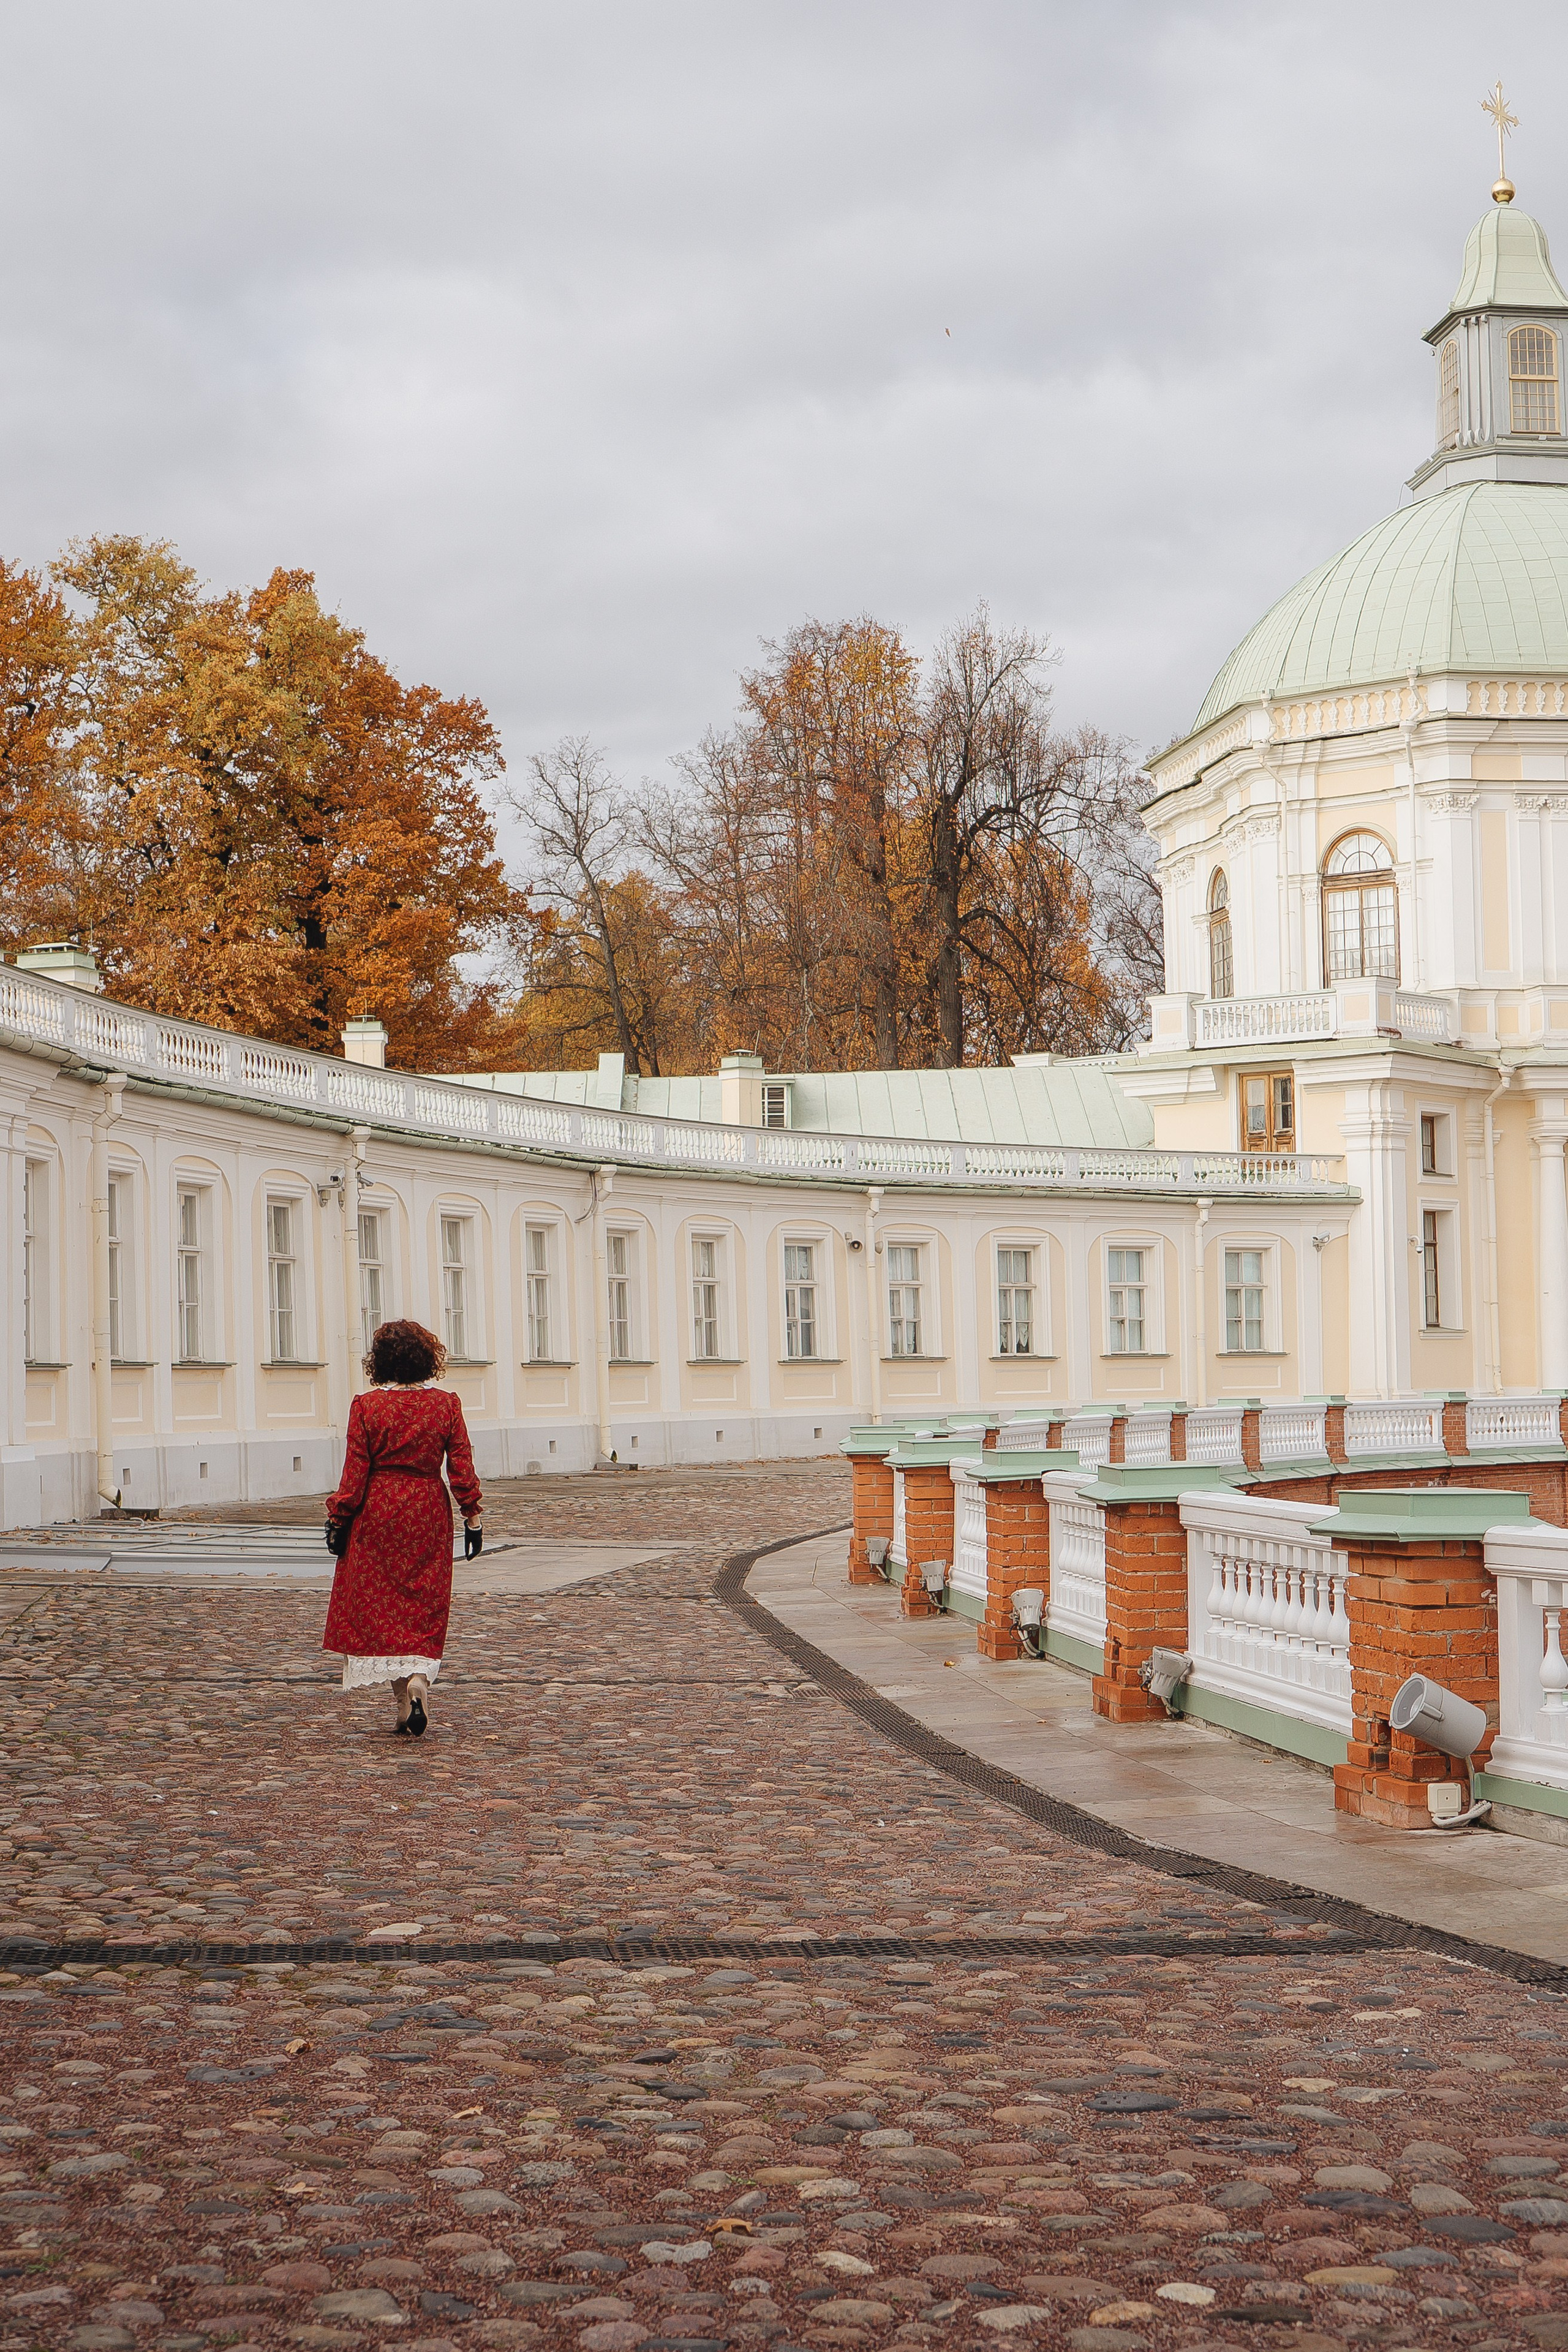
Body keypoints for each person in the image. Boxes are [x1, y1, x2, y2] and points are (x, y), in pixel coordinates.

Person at [322, 1318, 483, 1737]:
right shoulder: (446, 1405)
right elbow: (461, 1465)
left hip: (378, 1510)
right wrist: (473, 1515)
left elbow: (355, 1471)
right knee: (424, 1603)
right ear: (428, 1359)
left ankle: (401, 1701)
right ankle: (418, 1683)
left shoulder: (367, 1406)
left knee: (382, 1607)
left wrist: (339, 1517)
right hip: (428, 1508)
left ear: (381, 1363)